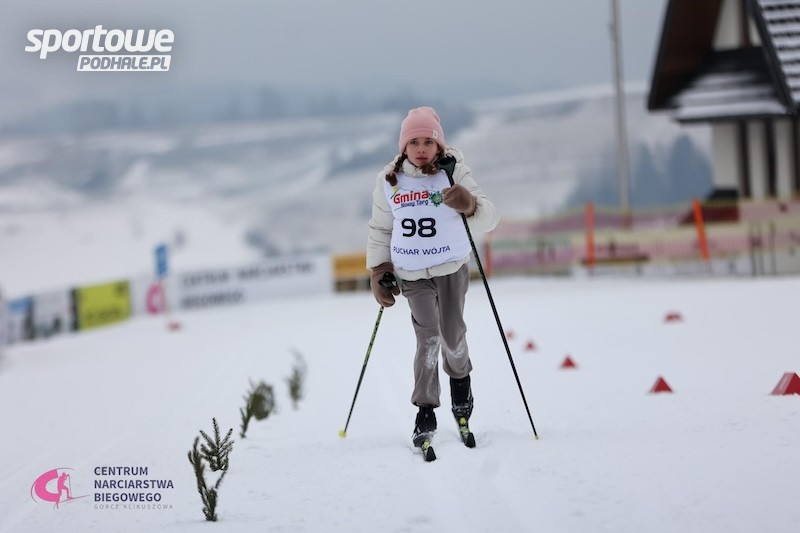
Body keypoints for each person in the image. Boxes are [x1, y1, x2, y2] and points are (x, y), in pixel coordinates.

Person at [366, 107, 499, 448]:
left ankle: (461, 389)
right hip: (412, 274)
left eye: (428, 141)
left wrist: (469, 204)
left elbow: (489, 218)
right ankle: (425, 410)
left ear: (439, 145)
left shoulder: (453, 172)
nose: (421, 148)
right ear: (403, 147)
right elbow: (381, 229)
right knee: (427, 337)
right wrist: (379, 270)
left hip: (451, 268)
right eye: (414, 142)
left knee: (452, 335)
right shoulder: (389, 180)